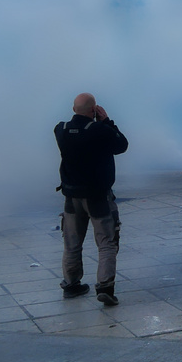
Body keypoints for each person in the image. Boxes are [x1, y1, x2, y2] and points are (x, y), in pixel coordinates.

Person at [55, 93, 129, 306]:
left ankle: (71, 284)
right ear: (94, 110)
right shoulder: (99, 131)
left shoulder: (60, 129)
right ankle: (105, 287)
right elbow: (121, 145)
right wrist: (106, 121)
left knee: (71, 242)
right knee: (106, 242)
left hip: (72, 197)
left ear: (73, 108)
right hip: (97, 197)